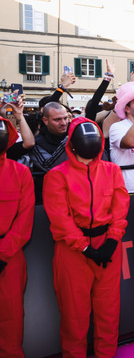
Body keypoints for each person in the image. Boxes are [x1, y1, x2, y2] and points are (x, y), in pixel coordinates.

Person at [43, 117, 130, 357]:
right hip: (72, 253)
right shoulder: (57, 175)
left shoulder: (112, 171)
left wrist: (112, 240)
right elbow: (60, 218)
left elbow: (120, 205)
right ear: (72, 144)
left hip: (108, 246)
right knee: (74, 315)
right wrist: (85, 248)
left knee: (108, 311)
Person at [0, 117, 35, 358]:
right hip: (8, 253)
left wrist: (4, 253)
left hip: (10, 256)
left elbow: (24, 220)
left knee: (11, 315)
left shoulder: (20, 172)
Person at [30, 102, 70, 172]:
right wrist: (67, 141)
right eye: (57, 119)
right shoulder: (38, 143)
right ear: (45, 120)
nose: (63, 123)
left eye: (65, 118)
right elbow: (49, 166)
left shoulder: (74, 131)